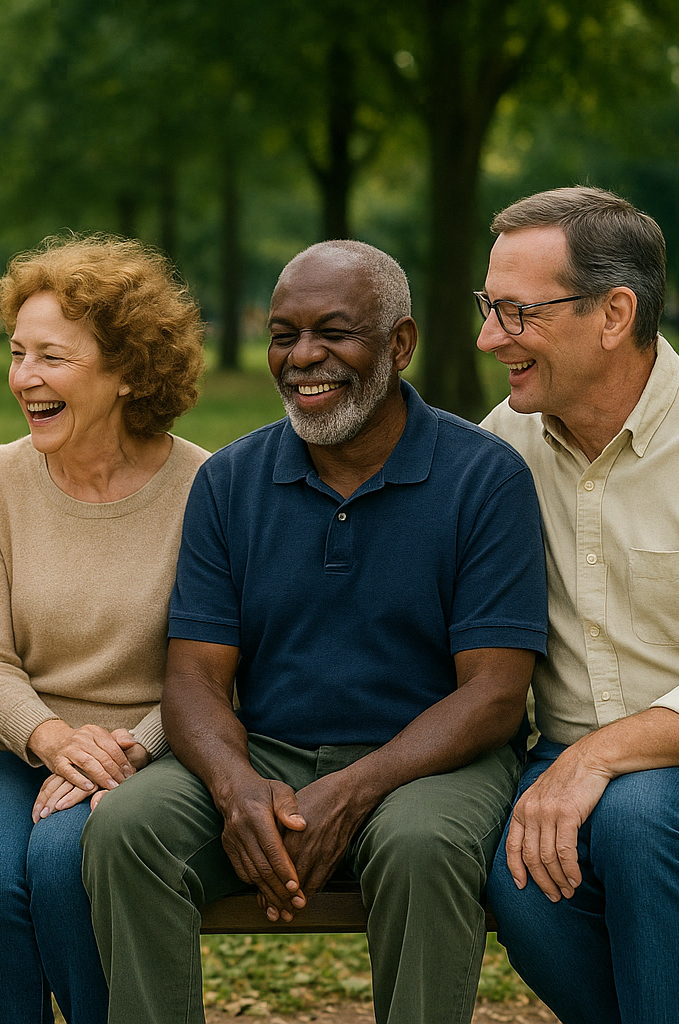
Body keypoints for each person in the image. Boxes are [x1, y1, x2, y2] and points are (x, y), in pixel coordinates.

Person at [81, 239, 550, 1024]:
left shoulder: (484, 477)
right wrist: (234, 787)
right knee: (129, 829)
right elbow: (193, 676)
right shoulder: (229, 481)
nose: (303, 357)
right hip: (269, 751)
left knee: (422, 848)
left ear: (400, 344)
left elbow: (495, 696)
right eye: (283, 335)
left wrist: (354, 789)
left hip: (432, 762)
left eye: (334, 332)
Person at [478, 186, 679, 1024]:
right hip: (564, 760)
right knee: (518, 875)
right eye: (488, 306)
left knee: (640, 816)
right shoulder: (503, 445)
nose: (489, 338)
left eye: (518, 312)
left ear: (615, 313)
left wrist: (596, 761)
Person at [0, 235, 209, 1024]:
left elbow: (216, 669)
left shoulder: (205, 487)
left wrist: (129, 749)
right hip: (19, 747)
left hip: (156, 751)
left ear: (128, 371)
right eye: (17, 353)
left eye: (51, 357)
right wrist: (53, 739)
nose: (24, 377)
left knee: (67, 862)